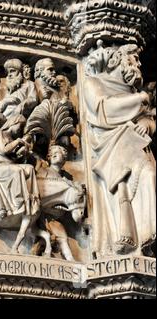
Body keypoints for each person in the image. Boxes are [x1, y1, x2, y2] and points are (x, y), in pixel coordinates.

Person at [83, 44, 156, 256]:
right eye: (134, 59)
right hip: (110, 146)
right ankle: (134, 236)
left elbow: (148, 118)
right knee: (137, 179)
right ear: (118, 59)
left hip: (135, 142)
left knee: (150, 175)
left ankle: (146, 238)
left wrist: (147, 125)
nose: (139, 63)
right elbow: (104, 110)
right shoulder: (93, 82)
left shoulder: (133, 90)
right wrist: (138, 99)